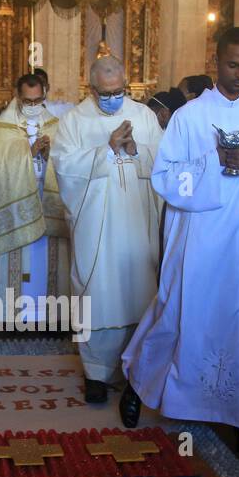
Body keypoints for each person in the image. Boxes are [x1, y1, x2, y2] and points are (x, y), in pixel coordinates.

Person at [121, 27, 239, 470]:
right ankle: (138, 382)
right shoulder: (190, 117)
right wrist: (212, 164)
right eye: (233, 64)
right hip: (196, 233)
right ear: (215, 62)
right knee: (178, 310)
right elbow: (166, 177)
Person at [50, 56, 165, 401]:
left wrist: (137, 150)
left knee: (139, 292)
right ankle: (96, 375)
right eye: (105, 92)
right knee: (97, 293)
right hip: (95, 226)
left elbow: (164, 164)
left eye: (119, 91)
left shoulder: (143, 116)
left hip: (137, 226)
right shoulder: (74, 121)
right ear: (92, 88)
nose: (113, 97)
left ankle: (136, 371)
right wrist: (107, 150)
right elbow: (64, 168)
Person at [0, 73, 69, 329]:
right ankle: (12, 313)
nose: (33, 106)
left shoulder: (57, 125)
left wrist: (50, 154)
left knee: (45, 264)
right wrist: (28, 155)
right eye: (27, 101)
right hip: (16, 209)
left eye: (38, 100)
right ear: (18, 96)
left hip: (46, 206)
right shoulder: (3, 128)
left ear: (46, 93)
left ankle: (49, 314)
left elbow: (68, 164)